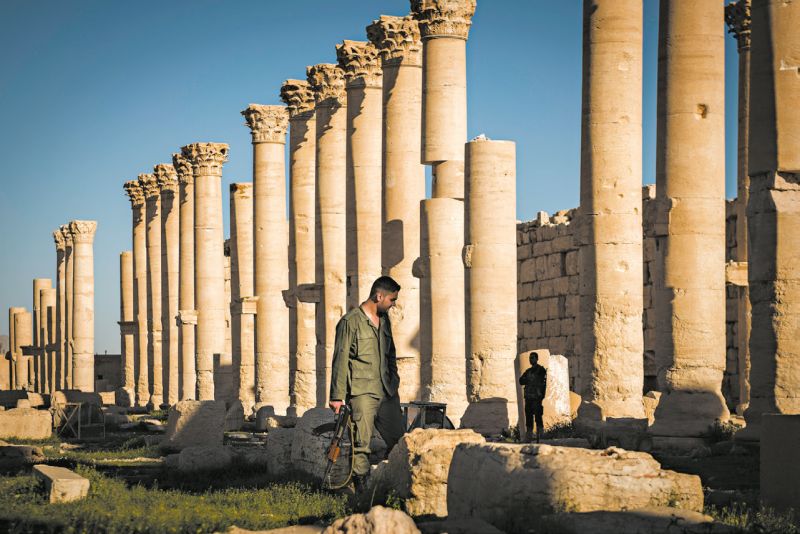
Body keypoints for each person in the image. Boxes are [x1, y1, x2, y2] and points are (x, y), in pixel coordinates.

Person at [329, 276, 405, 492]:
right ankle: (362, 493)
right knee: (361, 445)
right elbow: (340, 359)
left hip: (387, 392)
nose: (393, 304)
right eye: (391, 300)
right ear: (378, 296)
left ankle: (392, 485)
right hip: (362, 392)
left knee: (399, 440)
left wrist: (394, 379)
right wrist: (337, 396)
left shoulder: (385, 321)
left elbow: (391, 354)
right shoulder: (350, 322)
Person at [518, 352, 547, 443]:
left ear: (537, 359)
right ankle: (529, 436)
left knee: (538, 416)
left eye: (533, 358)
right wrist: (529, 380)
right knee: (529, 417)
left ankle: (541, 436)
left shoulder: (541, 370)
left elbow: (541, 382)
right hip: (528, 397)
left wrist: (541, 395)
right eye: (530, 358)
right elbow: (521, 381)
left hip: (537, 397)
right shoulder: (528, 371)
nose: (531, 360)